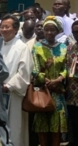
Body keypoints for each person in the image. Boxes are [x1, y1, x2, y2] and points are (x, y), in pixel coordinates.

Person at [32, 16, 67, 146]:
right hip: (43, 91)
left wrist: (59, 79)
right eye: (47, 30)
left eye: (52, 30)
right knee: (42, 124)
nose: (49, 33)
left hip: (58, 91)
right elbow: (34, 68)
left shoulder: (63, 47)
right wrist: (46, 80)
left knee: (56, 125)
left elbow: (66, 68)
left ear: (57, 31)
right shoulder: (37, 47)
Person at [0, 14, 33, 146]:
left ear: (15, 29)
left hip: (13, 94)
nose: (3, 29)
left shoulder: (22, 47)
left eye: (7, 27)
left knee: (14, 127)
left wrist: (8, 86)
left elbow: (24, 73)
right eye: (2, 27)